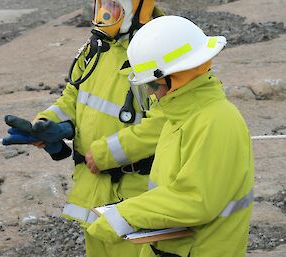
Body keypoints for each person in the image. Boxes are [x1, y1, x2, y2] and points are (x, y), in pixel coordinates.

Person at [2, 1, 167, 257]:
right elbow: (73, 96)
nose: (103, 16)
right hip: (95, 192)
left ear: (136, 10)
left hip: (136, 196)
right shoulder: (95, 50)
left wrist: (104, 153)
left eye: (113, 8)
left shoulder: (157, 51)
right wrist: (50, 125)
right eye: (102, 6)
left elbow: (166, 122)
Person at [86, 15, 255, 257]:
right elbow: (171, 191)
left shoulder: (216, 121)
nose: (152, 94)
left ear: (176, 78)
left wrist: (125, 214)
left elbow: (195, 200)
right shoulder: (180, 116)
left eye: (154, 85)